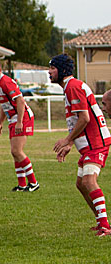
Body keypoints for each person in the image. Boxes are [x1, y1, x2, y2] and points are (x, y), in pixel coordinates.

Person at [50, 54, 111, 236]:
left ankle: (105, 226)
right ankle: (102, 222)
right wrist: (70, 143)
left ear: (62, 70)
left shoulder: (73, 87)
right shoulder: (70, 87)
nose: (49, 71)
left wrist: (67, 140)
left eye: (53, 68)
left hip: (96, 142)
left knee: (88, 181)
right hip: (88, 143)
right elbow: (79, 120)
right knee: (81, 184)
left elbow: (84, 118)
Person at [0, 58, 39, 192]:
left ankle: (33, 183)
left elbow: (20, 101)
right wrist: (0, 123)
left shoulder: (6, 82)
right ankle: (22, 185)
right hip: (13, 118)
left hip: (21, 117)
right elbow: (5, 105)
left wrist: (20, 121)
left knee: (17, 151)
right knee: (14, 153)